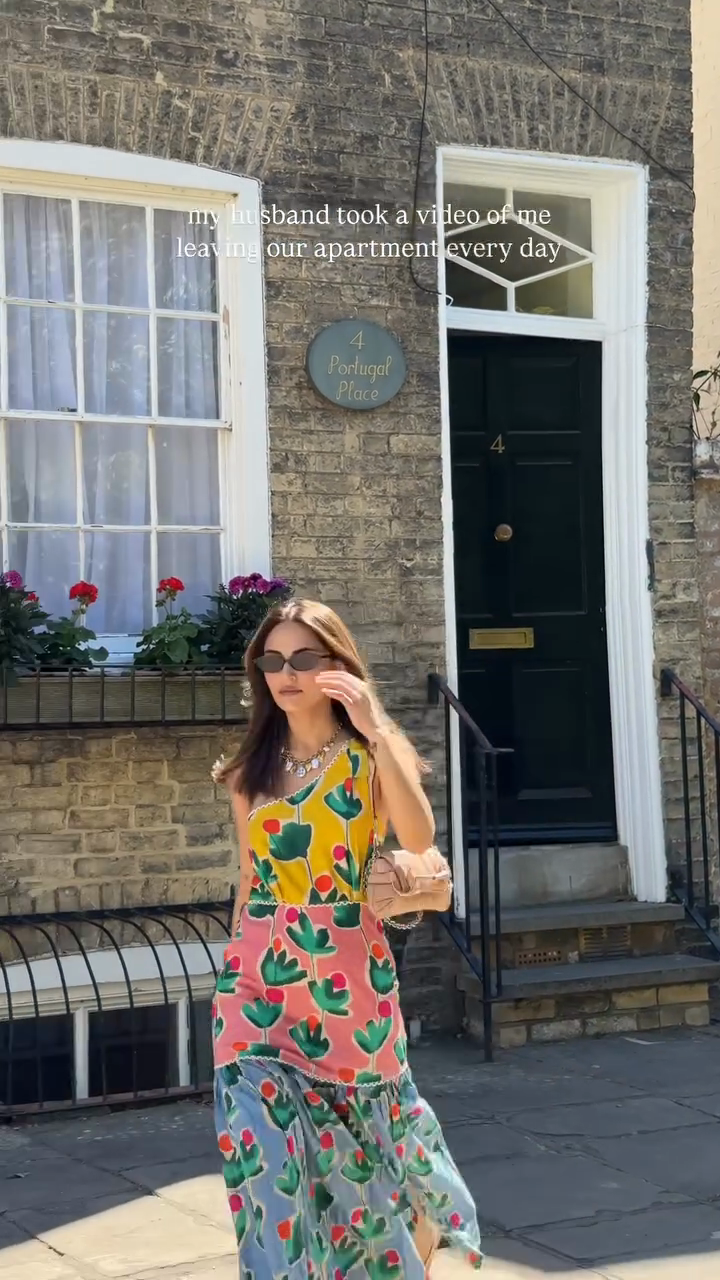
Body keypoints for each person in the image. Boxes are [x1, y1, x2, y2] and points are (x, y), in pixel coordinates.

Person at [211, 598, 483, 1278]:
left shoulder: (367, 756)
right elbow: (249, 877)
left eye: (304, 658)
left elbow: (418, 836)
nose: (286, 673)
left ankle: (412, 1227)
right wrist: (232, 961)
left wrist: (376, 725)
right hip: (257, 989)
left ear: (337, 666)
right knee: (262, 1163)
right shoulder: (249, 770)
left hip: (348, 983)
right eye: (273, 660)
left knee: (364, 1157)